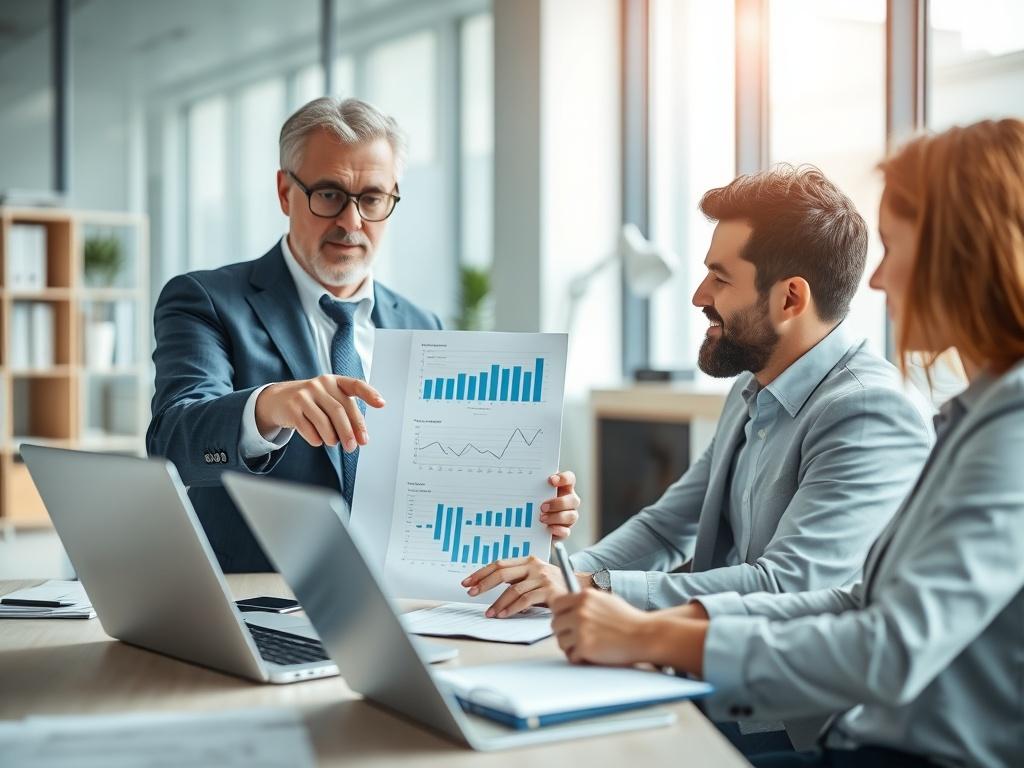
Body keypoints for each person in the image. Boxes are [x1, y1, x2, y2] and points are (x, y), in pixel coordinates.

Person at [550, 119, 1024, 768]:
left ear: (961, 256)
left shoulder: (958, 418)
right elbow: (855, 599)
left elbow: (870, 633)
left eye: (893, 248)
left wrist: (639, 625)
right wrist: (581, 586)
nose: (879, 283)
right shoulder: (973, 410)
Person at [463, 167, 931, 622]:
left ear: (790, 299)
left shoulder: (868, 412)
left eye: (720, 279)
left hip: (785, 692)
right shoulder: (756, 387)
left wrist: (587, 587)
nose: (699, 296)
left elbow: (787, 585)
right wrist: (555, 578)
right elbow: (666, 528)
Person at [147, 97, 580, 572]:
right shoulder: (206, 299)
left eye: (372, 198)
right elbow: (172, 442)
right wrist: (269, 406)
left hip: (400, 601)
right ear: (284, 192)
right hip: (257, 600)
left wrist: (525, 506)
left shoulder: (423, 326)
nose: (352, 223)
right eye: (329, 194)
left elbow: (445, 479)